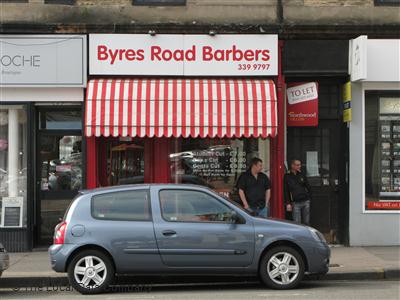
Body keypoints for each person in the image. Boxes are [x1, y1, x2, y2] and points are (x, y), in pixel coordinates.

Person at [284, 159, 312, 225]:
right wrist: (288, 203)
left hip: (305, 201)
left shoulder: (302, 174)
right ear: (292, 165)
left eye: (300, 165)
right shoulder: (287, 176)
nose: (299, 166)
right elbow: (286, 190)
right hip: (295, 202)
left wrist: (309, 197)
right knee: (297, 223)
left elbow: (308, 187)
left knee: (306, 221)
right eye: (297, 165)